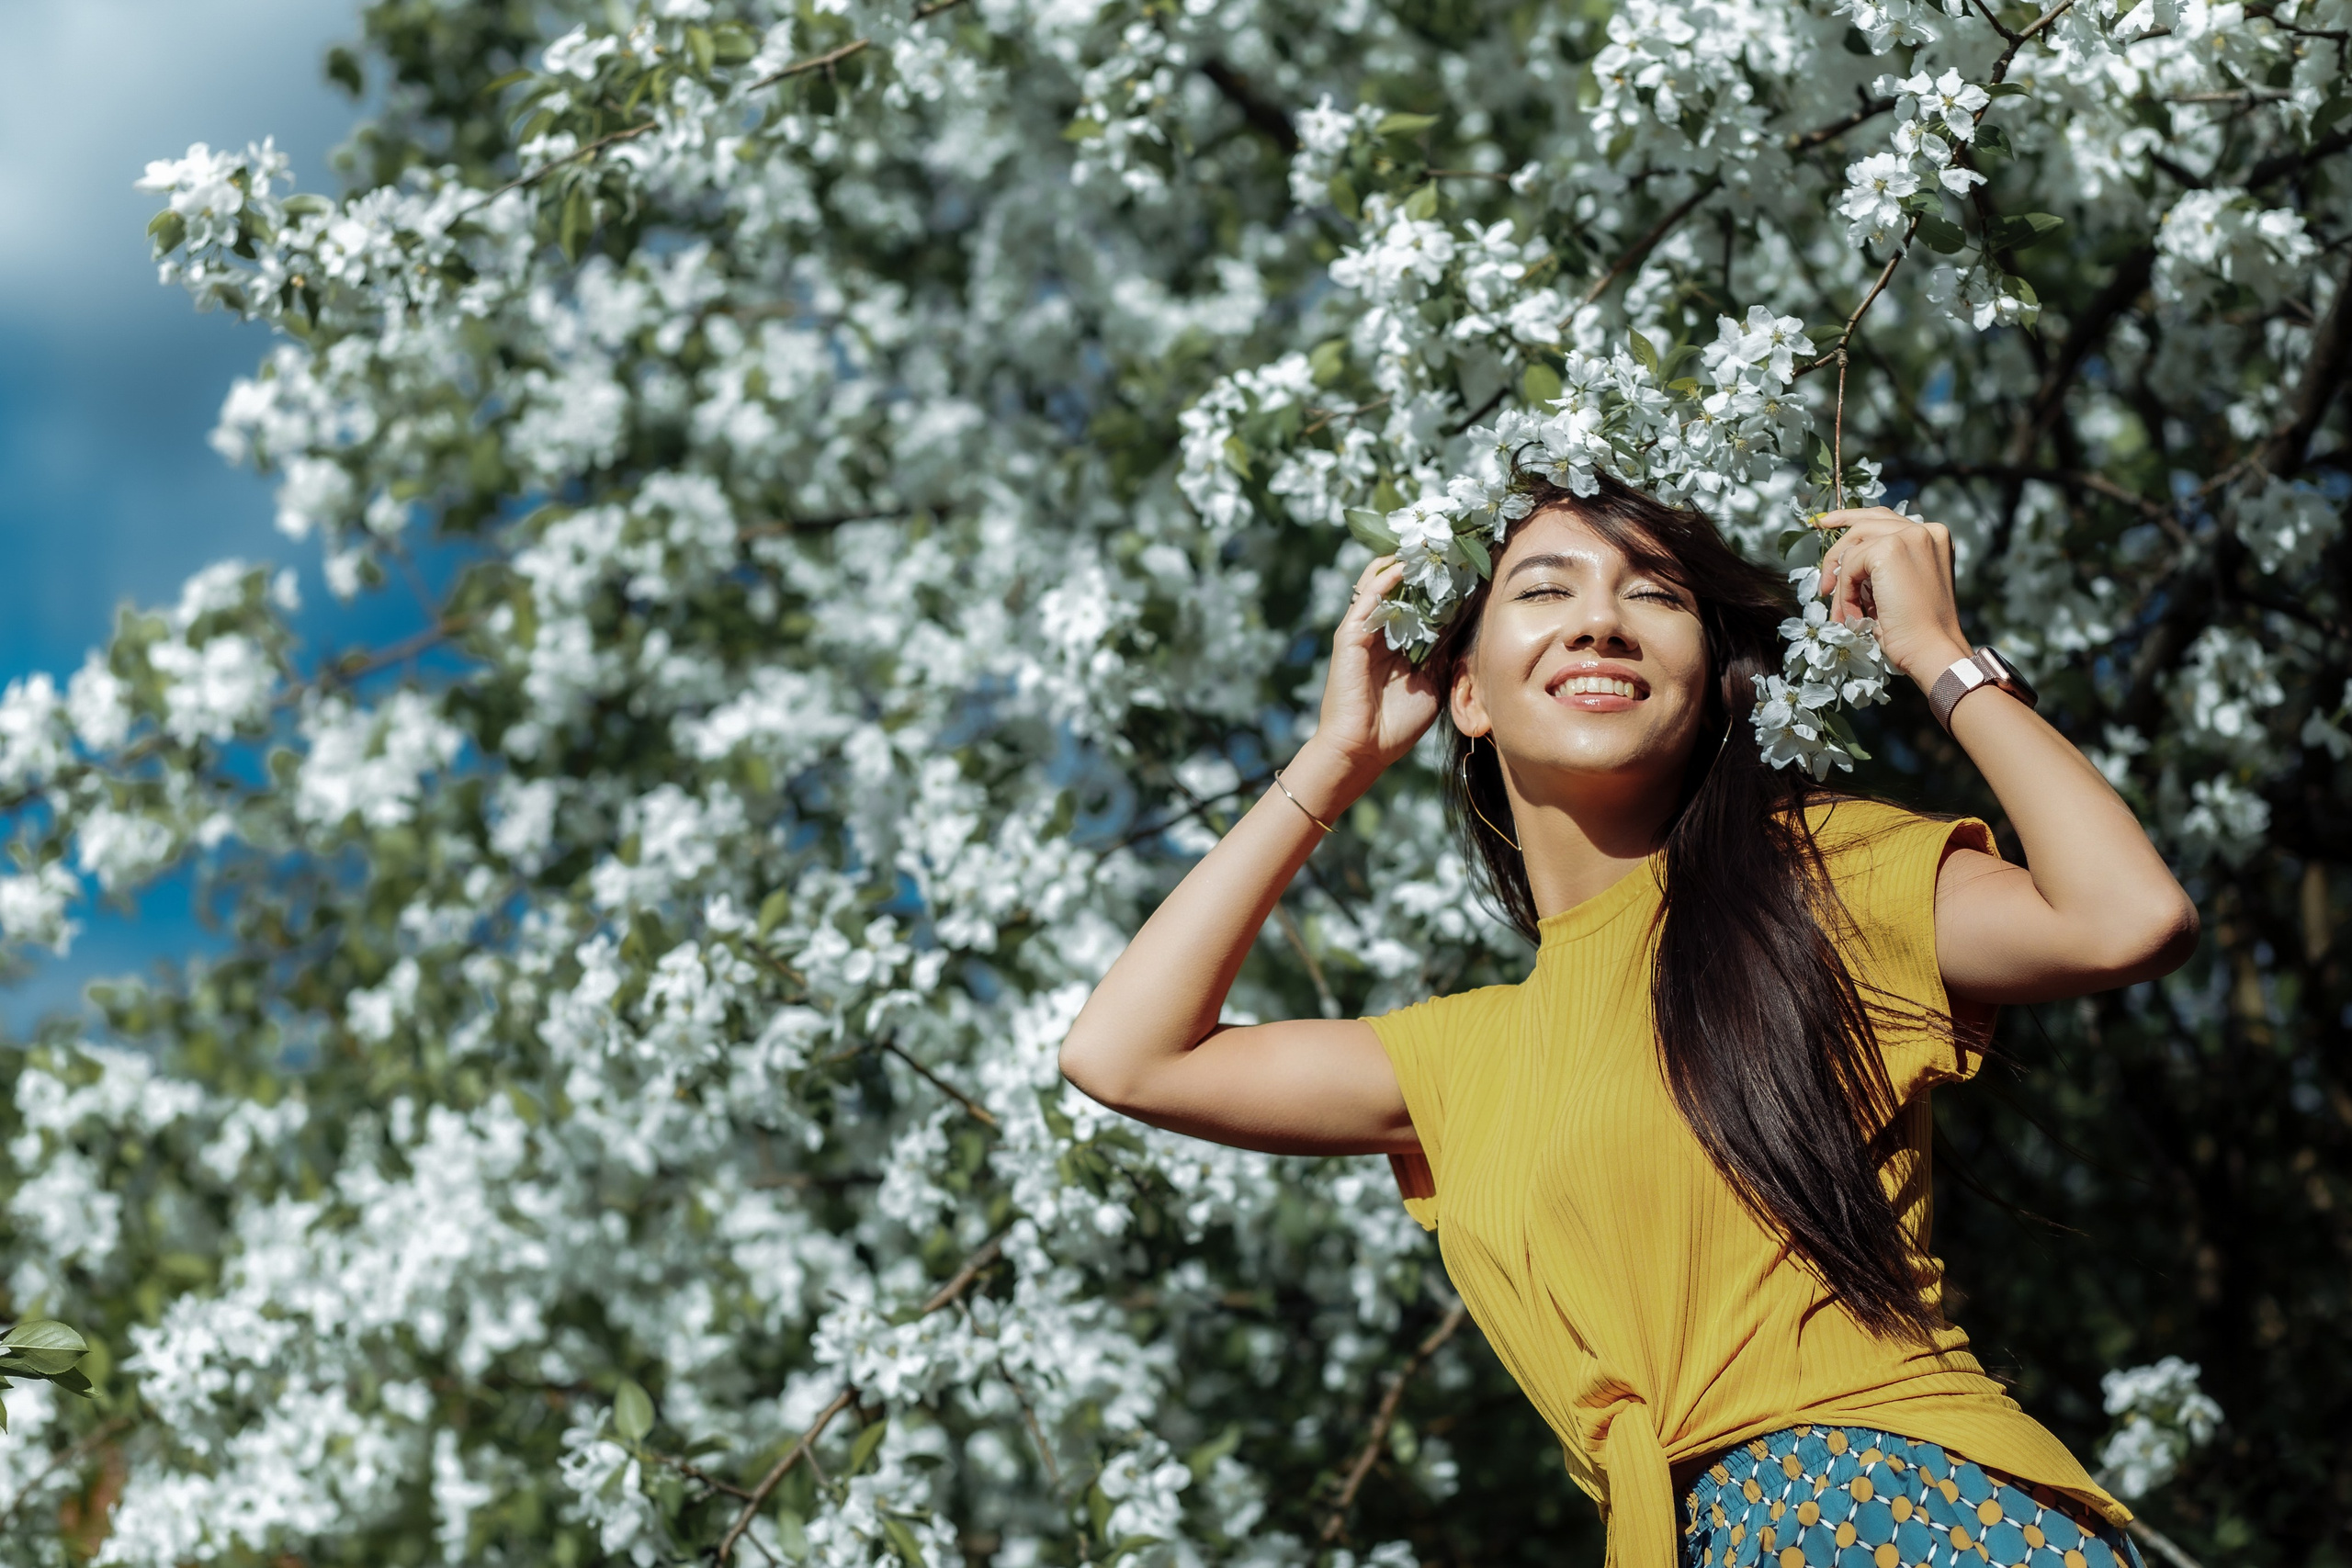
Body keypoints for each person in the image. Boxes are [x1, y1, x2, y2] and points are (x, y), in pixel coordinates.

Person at [1057, 474, 2199, 1567]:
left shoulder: (1816, 883)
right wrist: (1334, 759)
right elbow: (1123, 1055)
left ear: (1708, 679)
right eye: (1545, 590)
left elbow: (2125, 920)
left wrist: (1940, 659)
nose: (1599, 622)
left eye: (1653, 595)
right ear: (1466, 689)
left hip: (1897, 1510)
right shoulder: (1462, 1059)